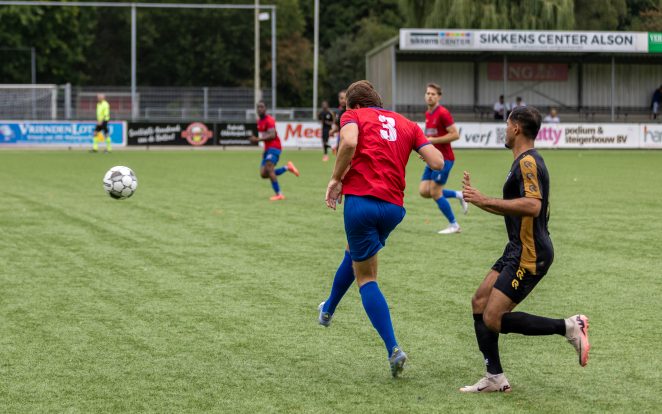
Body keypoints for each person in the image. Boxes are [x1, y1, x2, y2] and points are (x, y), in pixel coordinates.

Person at [459, 106, 590, 393]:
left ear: (516, 127)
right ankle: (494, 377)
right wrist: (478, 199)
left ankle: (569, 327)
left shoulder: (528, 162)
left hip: (530, 253)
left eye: (507, 124)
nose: (505, 129)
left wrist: (483, 200)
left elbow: (533, 205)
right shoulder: (521, 161)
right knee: (479, 302)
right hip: (516, 248)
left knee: (493, 317)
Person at [320, 80, 444, 377]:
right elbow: (438, 162)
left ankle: (393, 349)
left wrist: (336, 178)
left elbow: (349, 142)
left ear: (355, 105)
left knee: (367, 277)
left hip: (361, 204)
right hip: (393, 209)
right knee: (355, 252)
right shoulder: (407, 124)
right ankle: (327, 309)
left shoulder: (353, 115)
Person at [419, 83, 468, 234]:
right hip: (432, 158)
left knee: (435, 192)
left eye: (433, 94)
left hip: (444, 159)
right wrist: (426, 151)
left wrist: (433, 140)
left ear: (439, 97)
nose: (430, 96)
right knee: (424, 191)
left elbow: (455, 134)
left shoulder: (443, 113)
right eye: (428, 93)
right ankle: (459, 195)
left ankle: (454, 225)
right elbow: (429, 137)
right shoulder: (428, 113)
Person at [249, 101, 299, 201]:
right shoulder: (259, 121)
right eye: (258, 107)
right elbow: (265, 136)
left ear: (265, 109)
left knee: (269, 168)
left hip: (275, 147)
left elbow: (272, 135)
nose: (259, 109)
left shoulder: (269, 120)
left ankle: (279, 194)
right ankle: (287, 167)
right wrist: (264, 150)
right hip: (268, 149)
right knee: (263, 174)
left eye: (262, 107)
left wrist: (257, 140)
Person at [330, 89, 347, 154]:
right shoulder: (339, 112)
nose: (343, 100)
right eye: (341, 98)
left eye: (345, 98)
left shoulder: (351, 111)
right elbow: (338, 126)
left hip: (349, 138)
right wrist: (332, 131)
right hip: (340, 137)